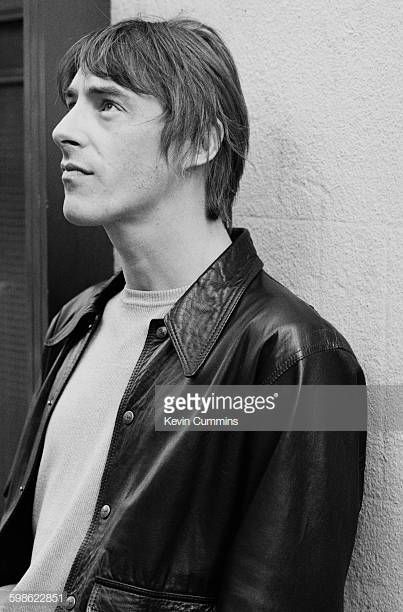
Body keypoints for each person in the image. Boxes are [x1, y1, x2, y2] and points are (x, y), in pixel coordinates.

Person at [0, 17, 366, 612]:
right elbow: (51, 568)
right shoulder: (78, 318)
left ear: (201, 142)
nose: (63, 130)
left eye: (108, 105)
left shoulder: (298, 357)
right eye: (71, 104)